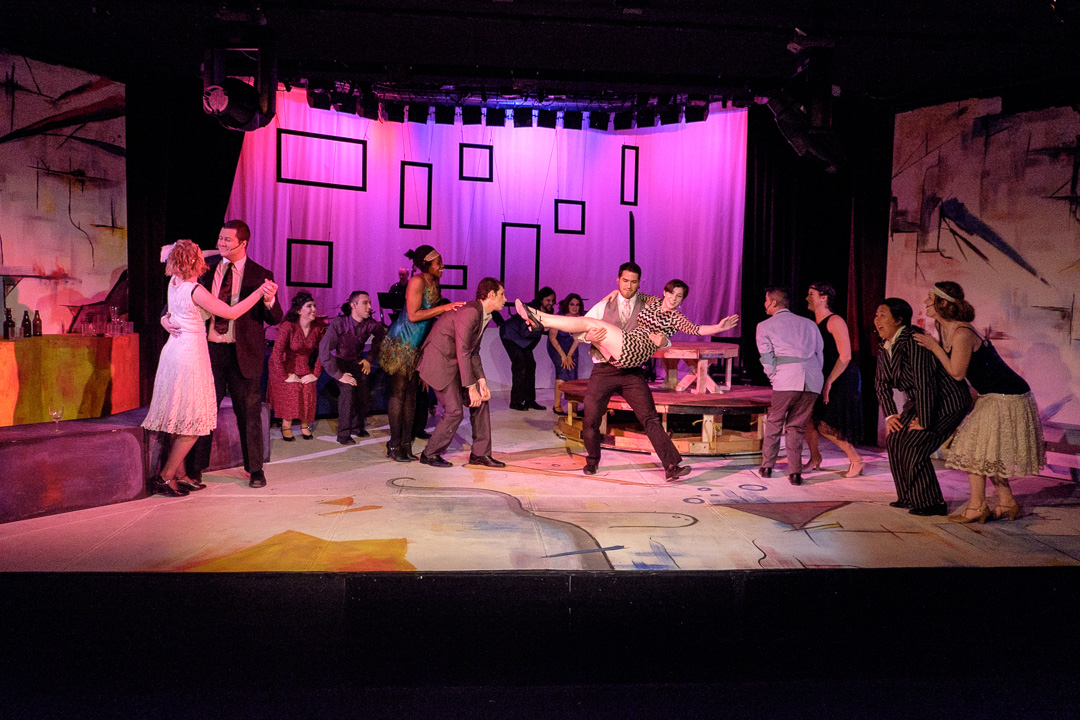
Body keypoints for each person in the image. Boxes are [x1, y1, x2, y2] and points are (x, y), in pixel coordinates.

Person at [521, 262, 737, 481]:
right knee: (590, 418)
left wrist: (713, 329)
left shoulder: (658, 308)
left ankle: (672, 465)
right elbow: (580, 332)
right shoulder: (629, 302)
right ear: (618, 280)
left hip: (631, 363)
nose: (629, 285)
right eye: (625, 281)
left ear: (639, 283)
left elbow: (693, 330)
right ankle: (593, 460)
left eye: (633, 282)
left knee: (649, 417)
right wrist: (590, 334)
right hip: (605, 368)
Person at [144, 240, 276, 496]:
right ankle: (165, 476)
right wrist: (259, 293)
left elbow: (188, 255)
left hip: (174, 351)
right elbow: (231, 312)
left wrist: (222, 252)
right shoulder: (195, 289)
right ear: (194, 261)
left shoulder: (175, 282)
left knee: (180, 417)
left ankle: (180, 474)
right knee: (193, 422)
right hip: (190, 356)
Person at [914, 281, 1045, 522]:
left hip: (1007, 395)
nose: (925, 302)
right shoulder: (944, 327)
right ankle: (1007, 503)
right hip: (992, 395)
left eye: (930, 298)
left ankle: (977, 507)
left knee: (974, 450)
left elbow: (957, 373)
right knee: (987, 450)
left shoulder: (962, 333)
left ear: (942, 303)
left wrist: (934, 347)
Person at [874, 297, 971, 516]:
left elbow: (925, 382)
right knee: (895, 438)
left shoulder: (913, 340)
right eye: (876, 315)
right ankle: (909, 496)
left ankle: (932, 503)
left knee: (914, 444)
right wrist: (890, 415)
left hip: (947, 400)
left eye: (882, 315)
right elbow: (880, 383)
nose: (876, 320)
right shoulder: (885, 345)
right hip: (919, 400)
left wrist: (925, 421)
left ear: (898, 320)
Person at [378, 245, 465, 463]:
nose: (442, 266)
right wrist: (444, 308)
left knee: (412, 396)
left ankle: (406, 444)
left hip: (417, 345)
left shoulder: (434, 282)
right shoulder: (416, 281)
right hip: (403, 342)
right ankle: (394, 444)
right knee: (399, 393)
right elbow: (413, 315)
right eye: (438, 263)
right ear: (426, 264)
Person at [416, 277, 508, 469]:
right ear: (491, 295)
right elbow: (464, 350)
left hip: (455, 361)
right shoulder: (470, 312)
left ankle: (480, 454)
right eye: (502, 294)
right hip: (439, 362)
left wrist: (481, 381)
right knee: (455, 410)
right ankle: (429, 453)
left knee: (481, 400)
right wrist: (470, 387)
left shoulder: (484, 314)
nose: (505, 299)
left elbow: (473, 351)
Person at [756, 287, 824, 486]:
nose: (764, 304)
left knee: (775, 422)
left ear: (773, 302)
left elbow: (767, 357)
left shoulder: (765, 325)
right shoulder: (809, 324)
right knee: (796, 427)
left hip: (786, 378)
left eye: (766, 300)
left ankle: (767, 466)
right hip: (812, 379)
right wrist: (814, 375)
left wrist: (773, 376)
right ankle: (795, 473)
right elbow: (819, 354)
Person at [804, 281, 865, 477]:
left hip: (842, 377)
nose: (807, 298)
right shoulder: (813, 324)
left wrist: (829, 381)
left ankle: (856, 460)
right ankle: (815, 458)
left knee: (826, 424)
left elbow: (845, 356)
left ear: (824, 298)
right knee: (808, 420)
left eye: (811, 294)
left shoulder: (835, 320)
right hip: (824, 377)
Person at [317, 291, 387, 445]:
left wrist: (369, 359)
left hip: (356, 361)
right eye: (365, 303)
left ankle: (356, 426)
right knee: (347, 390)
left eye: (369, 303)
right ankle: (343, 434)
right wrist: (338, 374)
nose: (369, 307)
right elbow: (324, 349)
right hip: (340, 362)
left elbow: (380, 337)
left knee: (363, 390)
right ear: (353, 305)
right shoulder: (340, 323)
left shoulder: (370, 324)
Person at [268, 292, 326, 442]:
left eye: (314, 306)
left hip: (305, 367)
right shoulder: (288, 326)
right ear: (299, 310)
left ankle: (304, 424)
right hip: (285, 367)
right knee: (293, 387)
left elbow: (323, 352)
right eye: (309, 306)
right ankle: (286, 425)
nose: (314, 309)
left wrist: (315, 374)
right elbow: (276, 354)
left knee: (308, 387)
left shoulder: (318, 327)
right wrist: (285, 376)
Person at [500, 287, 555, 411]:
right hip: (510, 335)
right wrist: (542, 328)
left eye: (552, 301)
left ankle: (530, 400)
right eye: (548, 300)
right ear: (541, 299)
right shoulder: (530, 310)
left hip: (523, 341)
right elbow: (525, 332)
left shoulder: (547, 312)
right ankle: (516, 402)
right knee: (520, 365)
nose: (551, 303)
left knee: (530, 365)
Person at [547, 293, 583, 415]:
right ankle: (557, 405)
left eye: (577, 305)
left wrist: (569, 355)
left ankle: (573, 408)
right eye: (572, 304)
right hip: (556, 346)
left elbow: (577, 339)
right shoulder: (559, 317)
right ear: (567, 305)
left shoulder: (580, 319)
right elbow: (552, 338)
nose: (574, 307)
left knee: (572, 372)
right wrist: (563, 356)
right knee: (562, 370)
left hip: (571, 347)